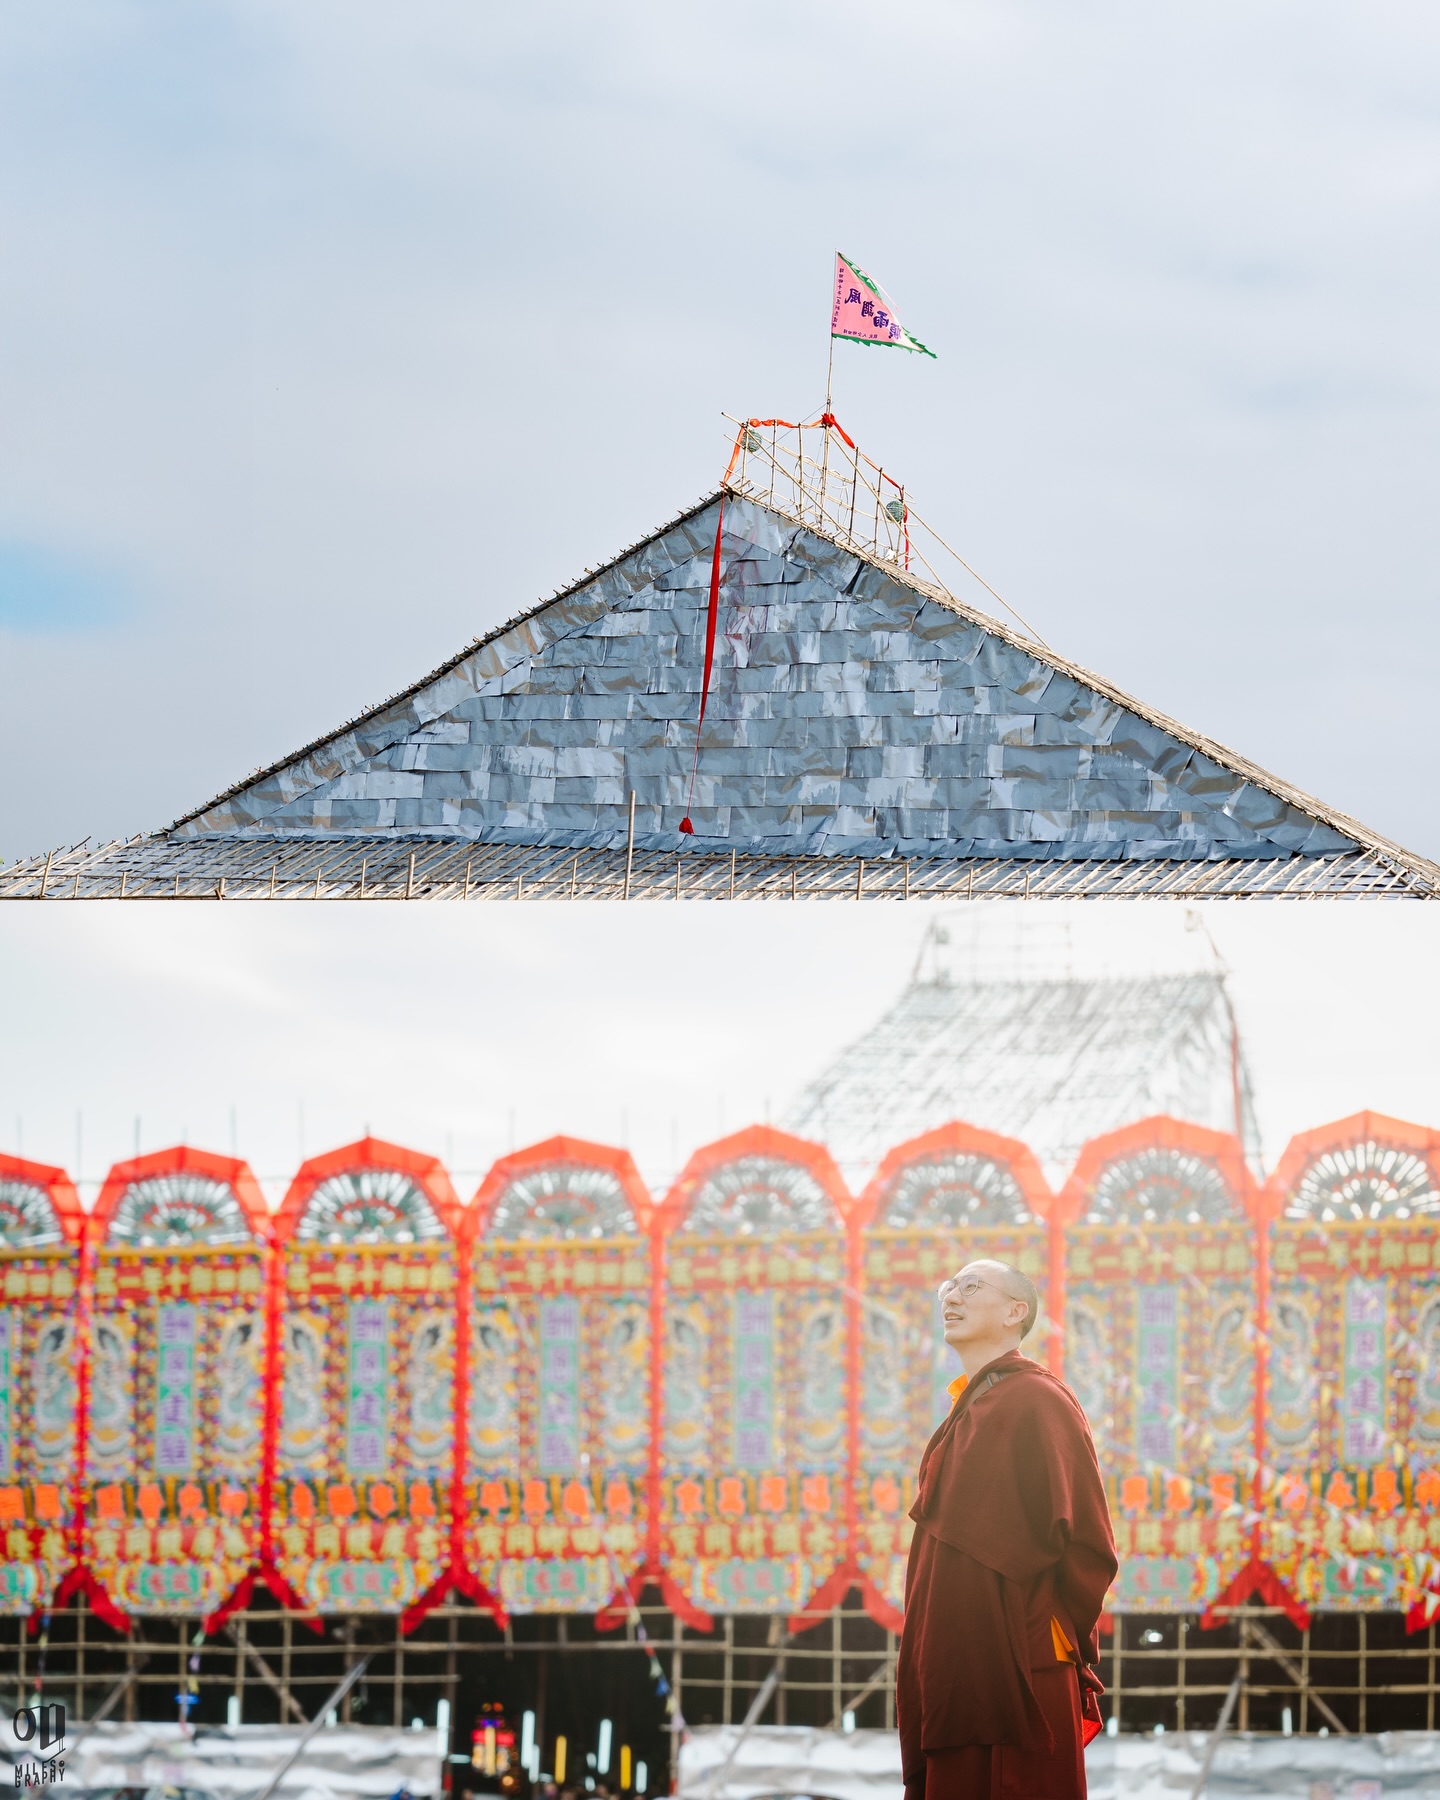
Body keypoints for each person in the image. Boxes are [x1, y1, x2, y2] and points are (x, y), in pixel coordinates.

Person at [896, 1259, 1118, 1800]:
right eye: (948, 1287)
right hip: (952, 1664)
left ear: (1016, 1312)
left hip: (1018, 1662)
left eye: (971, 1287)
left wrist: (1040, 1628)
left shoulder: (1038, 1400)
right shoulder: (968, 1408)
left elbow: (1087, 1540)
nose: (952, 1296)